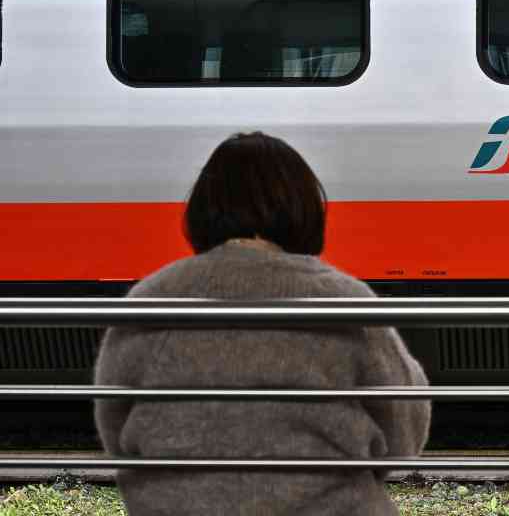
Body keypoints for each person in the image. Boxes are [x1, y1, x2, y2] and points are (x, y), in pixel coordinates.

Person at [95, 132, 430, 516]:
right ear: (304, 206)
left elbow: (116, 429)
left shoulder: (152, 298)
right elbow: (404, 432)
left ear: (201, 209)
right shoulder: (344, 299)